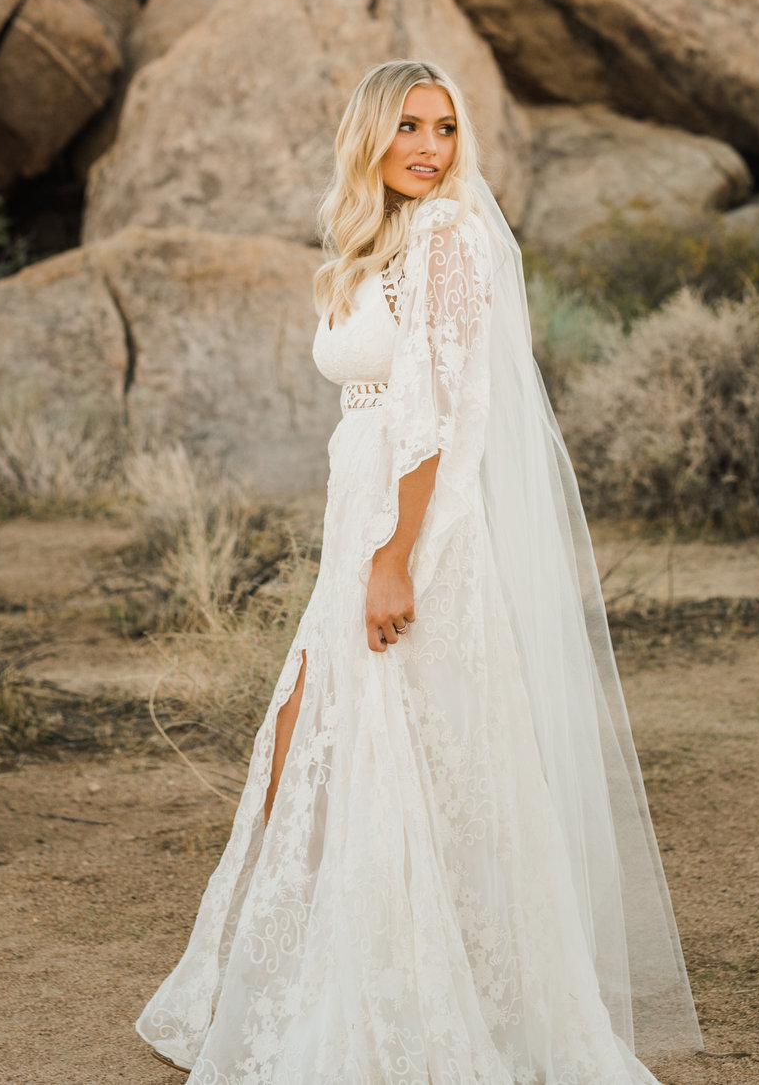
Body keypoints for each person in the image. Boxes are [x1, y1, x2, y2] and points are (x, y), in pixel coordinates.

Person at [138, 59, 701, 1081]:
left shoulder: (447, 234)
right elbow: (381, 400)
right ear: (371, 137)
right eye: (409, 127)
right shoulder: (377, 241)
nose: (431, 147)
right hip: (361, 515)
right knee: (333, 742)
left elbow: (438, 411)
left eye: (445, 128)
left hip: (413, 530)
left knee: (395, 751)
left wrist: (395, 559)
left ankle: (417, 1006)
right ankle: (345, 972)